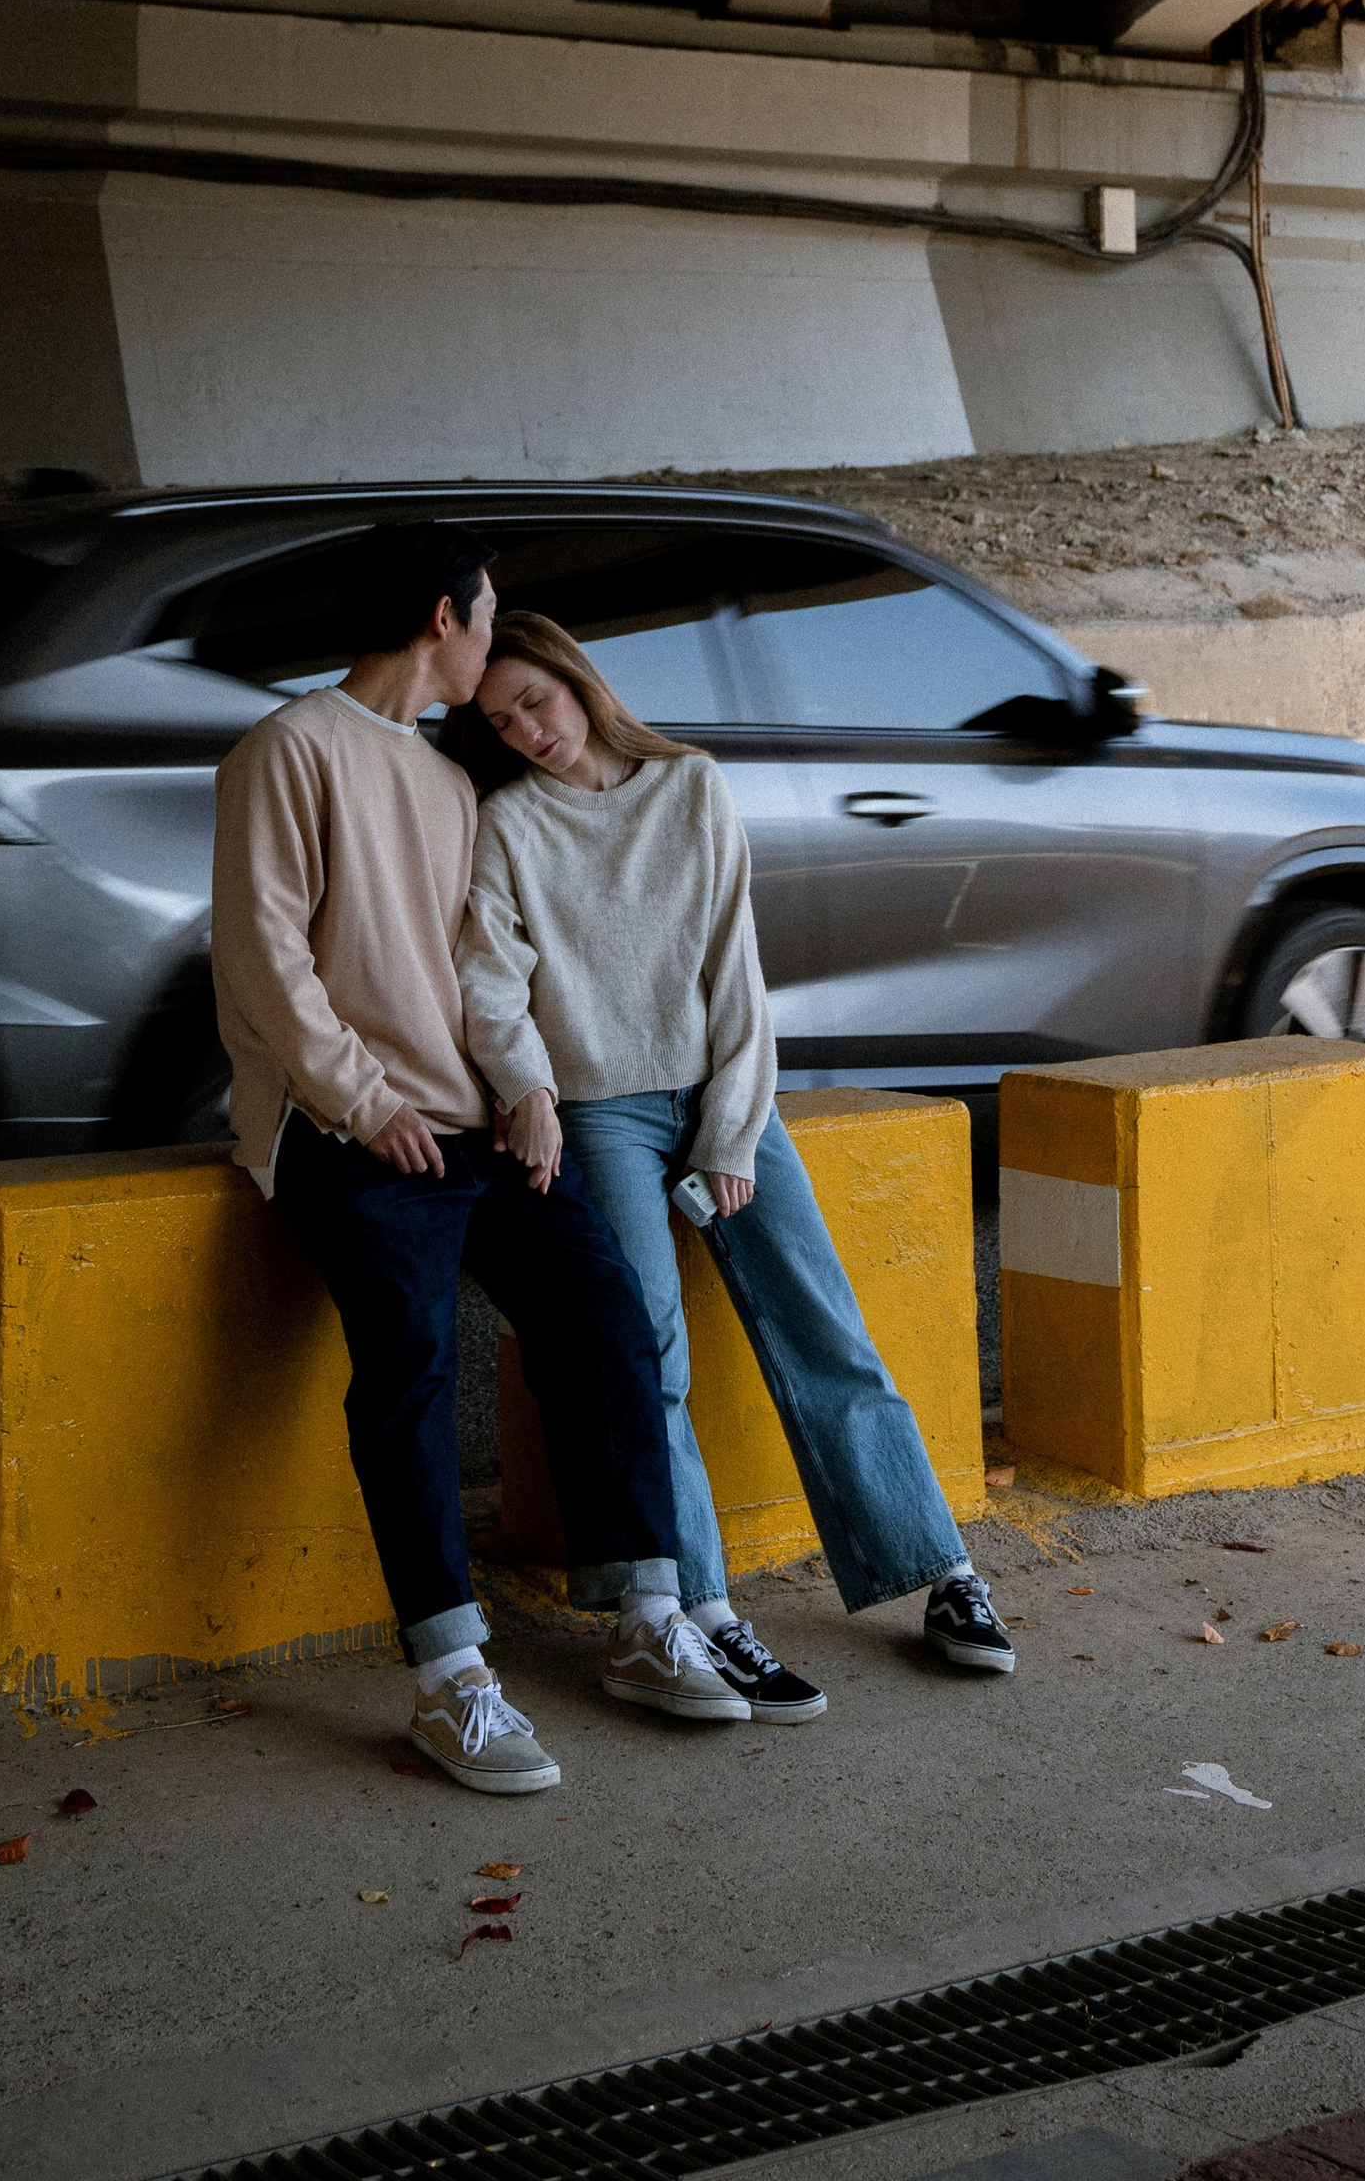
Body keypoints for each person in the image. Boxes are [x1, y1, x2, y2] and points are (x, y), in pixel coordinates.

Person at [211, 524, 749, 1795]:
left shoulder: (452, 781)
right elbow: (263, 954)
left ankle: (642, 1616)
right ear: (441, 617)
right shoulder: (288, 750)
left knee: (607, 1317)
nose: (496, 632)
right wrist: (358, 1097)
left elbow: (473, 969)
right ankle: (451, 1680)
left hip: (472, 1123)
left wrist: (524, 1091)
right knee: (409, 1363)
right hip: (343, 1128)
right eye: (488, 610)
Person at [456, 609, 1015, 1719]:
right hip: (599, 1108)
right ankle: (705, 1613)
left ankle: (942, 1570)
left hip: (727, 1096)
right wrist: (527, 1087)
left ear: (577, 680)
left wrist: (726, 1133)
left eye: (535, 701)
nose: (525, 730)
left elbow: (734, 975)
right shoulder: (505, 823)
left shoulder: (691, 787)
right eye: (499, 719)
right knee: (644, 1352)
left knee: (822, 1324)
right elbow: (488, 979)